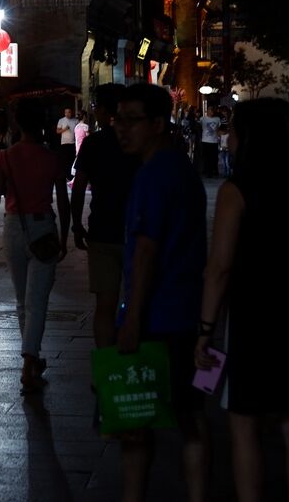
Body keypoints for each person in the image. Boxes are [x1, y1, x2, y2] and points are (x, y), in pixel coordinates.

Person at [195, 98, 289, 502]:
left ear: (251, 137)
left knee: (244, 422)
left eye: (235, 131)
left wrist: (205, 331)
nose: (229, 138)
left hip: (254, 317)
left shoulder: (237, 189)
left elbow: (219, 268)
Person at [113, 83, 209, 502]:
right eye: (118, 120)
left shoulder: (153, 175)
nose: (121, 129)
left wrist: (131, 320)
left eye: (132, 120)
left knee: (135, 425)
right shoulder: (182, 169)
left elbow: (146, 251)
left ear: (157, 124)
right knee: (192, 419)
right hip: (188, 314)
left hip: (157, 318)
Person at [0, 97, 71, 391]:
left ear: (18, 123)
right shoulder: (52, 158)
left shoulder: (5, 157)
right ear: (42, 123)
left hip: (14, 227)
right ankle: (29, 364)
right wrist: (65, 235)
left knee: (21, 300)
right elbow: (62, 201)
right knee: (37, 301)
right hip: (43, 227)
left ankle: (32, 358)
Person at [70, 83, 137, 349]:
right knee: (138, 300)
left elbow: (78, 187)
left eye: (96, 106)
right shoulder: (137, 140)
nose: (94, 111)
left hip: (102, 230)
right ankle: (136, 361)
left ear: (106, 110)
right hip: (137, 231)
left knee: (105, 306)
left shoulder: (94, 143)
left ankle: (107, 365)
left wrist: (76, 224)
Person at [55, 106, 78, 179]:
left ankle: (71, 176)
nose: (67, 114)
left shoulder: (75, 120)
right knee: (65, 160)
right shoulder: (61, 120)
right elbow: (57, 131)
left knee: (72, 159)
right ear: (64, 113)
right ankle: (65, 176)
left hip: (73, 143)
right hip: (64, 143)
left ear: (72, 113)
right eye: (66, 112)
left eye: (69, 112)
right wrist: (64, 129)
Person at [199, 106, 221, 177]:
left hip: (214, 141)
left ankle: (213, 171)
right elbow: (199, 128)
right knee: (206, 157)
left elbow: (219, 129)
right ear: (207, 111)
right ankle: (207, 171)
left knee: (214, 157)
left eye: (213, 110)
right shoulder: (202, 119)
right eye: (210, 110)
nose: (212, 112)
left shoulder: (217, 119)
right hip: (205, 141)